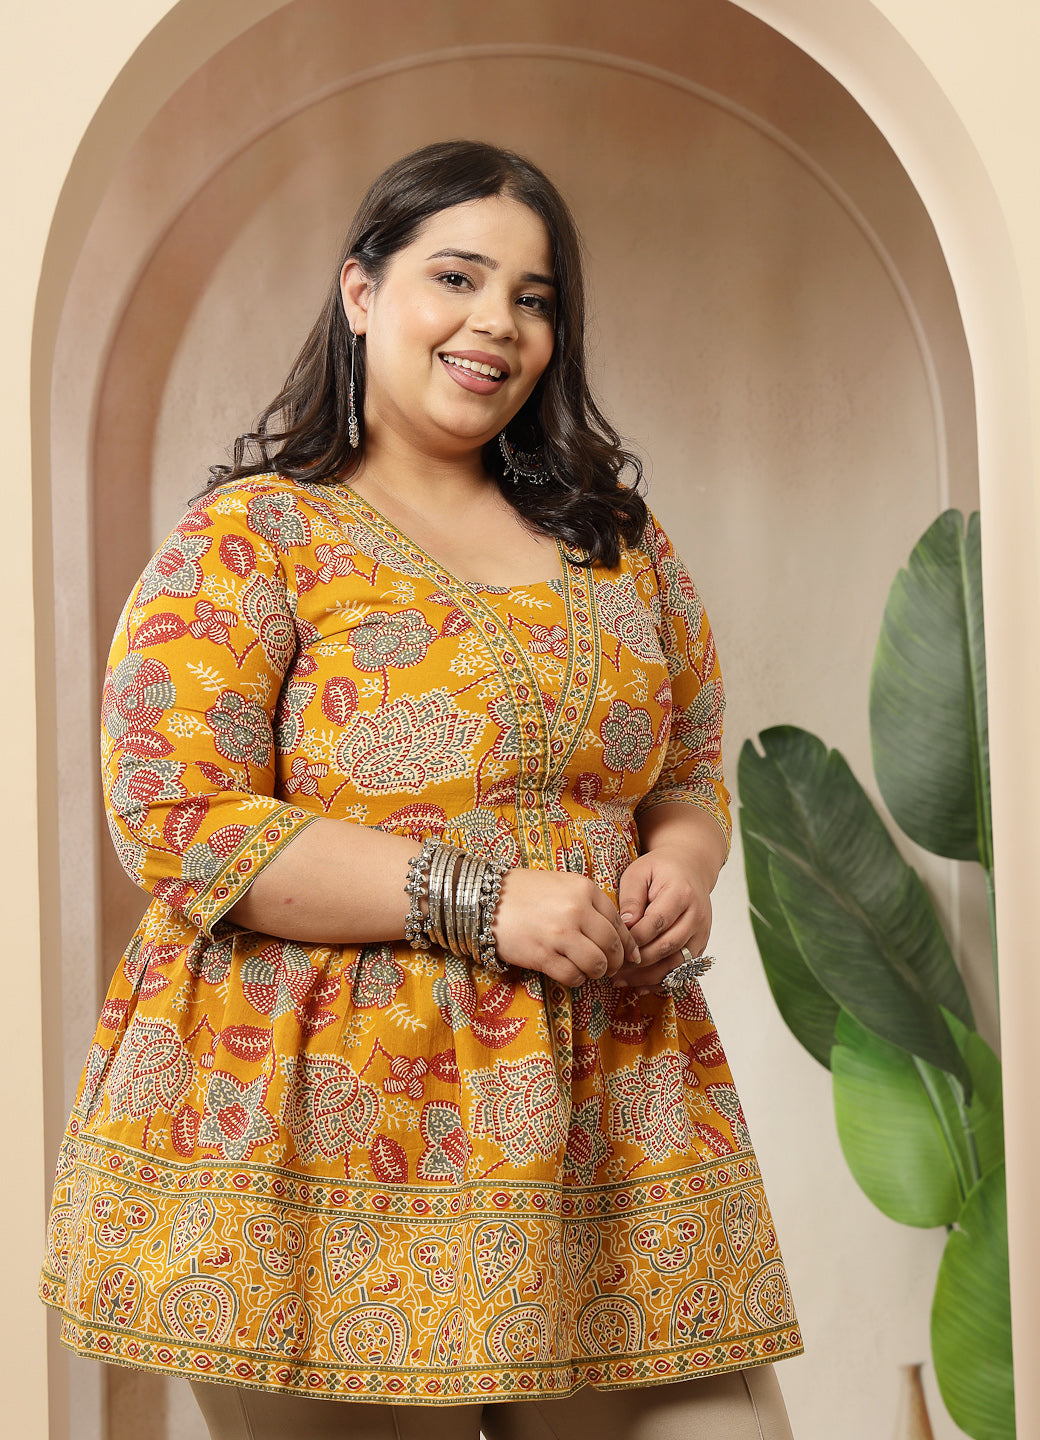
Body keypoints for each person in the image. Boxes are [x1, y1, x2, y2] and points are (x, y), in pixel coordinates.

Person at [40, 140, 802, 1439]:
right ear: (360, 290)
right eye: (457, 277)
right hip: (324, 1144)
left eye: (534, 297)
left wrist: (683, 861)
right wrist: (483, 903)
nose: (496, 321)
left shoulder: (617, 545)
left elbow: (684, 768)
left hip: (608, 1129)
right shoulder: (254, 539)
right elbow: (177, 818)